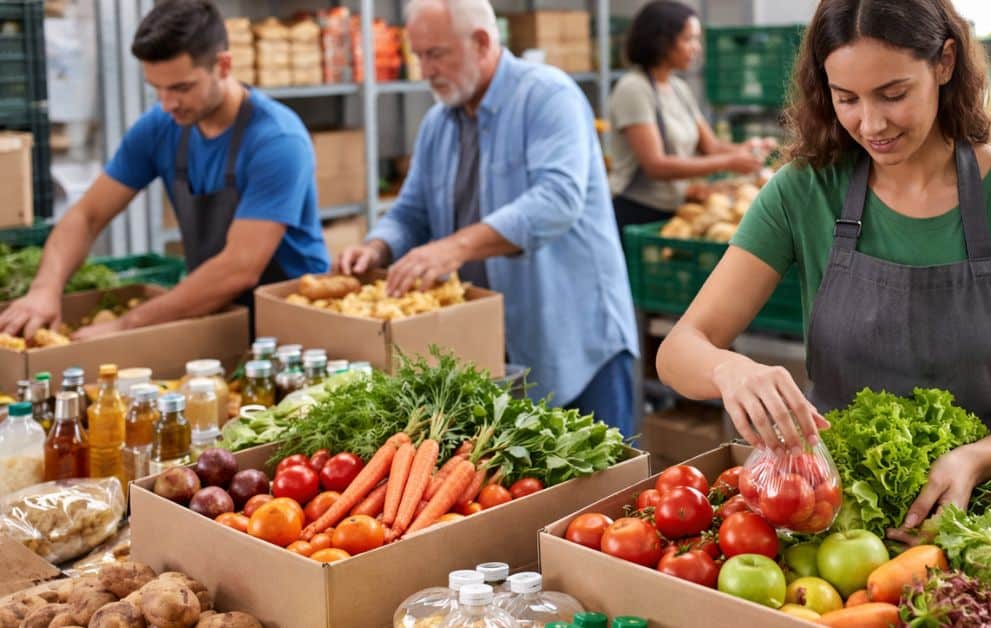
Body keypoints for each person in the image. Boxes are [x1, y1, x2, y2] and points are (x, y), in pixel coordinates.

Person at [657, 0, 991, 542]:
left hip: (985, 523)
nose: (872, 123)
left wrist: (974, 460)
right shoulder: (805, 190)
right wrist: (730, 371)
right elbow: (679, 350)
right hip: (831, 517)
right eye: (847, 99)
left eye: (893, 94)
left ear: (945, 63)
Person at [336, 0, 640, 436]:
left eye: (436, 54)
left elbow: (557, 199)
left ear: (481, 42)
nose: (425, 70)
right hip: (486, 351)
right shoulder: (438, 124)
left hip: (574, 346)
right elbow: (411, 210)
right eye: (418, 55)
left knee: (602, 490)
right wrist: (376, 246)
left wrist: (454, 247)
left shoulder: (547, 97)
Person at [0, 0, 329, 341]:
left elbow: (239, 267)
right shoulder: (161, 126)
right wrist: (44, 289)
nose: (168, 103)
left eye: (181, 88)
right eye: (156, 88)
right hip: (214, 314)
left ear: (224, 65)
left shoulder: (277, 139)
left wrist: (126, 326)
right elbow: (88, 215)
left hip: (294, 324)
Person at [608, 0, 774, 233]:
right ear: (661, 42)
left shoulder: (677, 87)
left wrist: (747, 150)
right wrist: (730, 162)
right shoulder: (634, 88)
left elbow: (711, 147)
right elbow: (656, 166)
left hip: (673, 209)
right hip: (635, 212)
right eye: (688, 39)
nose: (696, 48)